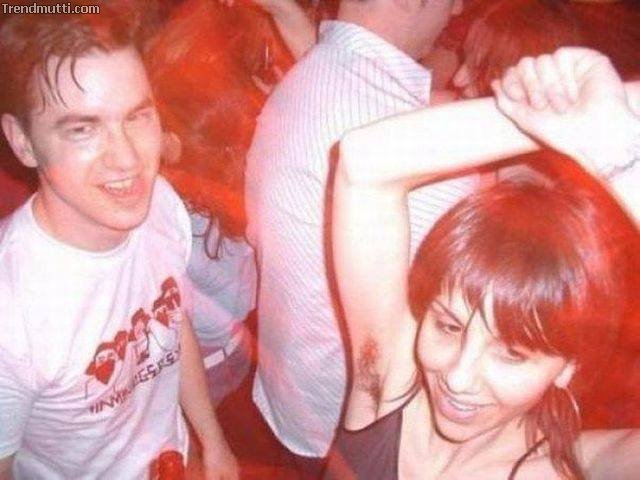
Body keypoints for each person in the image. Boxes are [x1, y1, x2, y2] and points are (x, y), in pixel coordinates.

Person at [324, 47, 639, 479]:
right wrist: (577, 122)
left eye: (512, 352)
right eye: (448, 326)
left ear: (568, 366)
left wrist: (617, 148)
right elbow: (365, 160)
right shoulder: (387, 385)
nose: (457, 377)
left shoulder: (572, 467)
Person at [0, 8, 238, 479]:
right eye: (83, 128)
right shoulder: (11, 316)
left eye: (137, 116)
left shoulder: (160, 205)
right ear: (23, 141)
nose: (128, 160)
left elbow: (171, 321)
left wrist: (212, 442)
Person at [245, 0, 470, 474]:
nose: (457, 11)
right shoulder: (419, 156)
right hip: (346, 433)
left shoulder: (310, 77)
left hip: (291, 396)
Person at [146, 0, 261, 408]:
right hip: (233, 353)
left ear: (172, 143)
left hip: (208, 369)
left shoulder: (164, 213)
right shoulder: (244, 174)